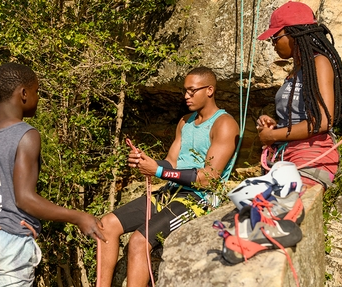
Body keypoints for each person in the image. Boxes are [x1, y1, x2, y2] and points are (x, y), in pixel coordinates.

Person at [0, 62, 106, 286]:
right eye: (36, 91)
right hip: (6, 240)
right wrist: (78, 217)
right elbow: (25, 199)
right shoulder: (27, 135)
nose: (38, 97)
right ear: (23, 93)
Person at [99, 66, 240, 286]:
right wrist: (149, 162)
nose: (186, 96)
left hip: (200, 199)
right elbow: (171, 163)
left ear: (210, 90)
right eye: (185, 91)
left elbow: (208, 178)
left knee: (139, 241)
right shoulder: (185, 122)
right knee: (106, 224)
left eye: (192, 91)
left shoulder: (225, 124)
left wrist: (158, 171)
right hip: (172, 191)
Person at [256, 1, 342, 190]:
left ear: (294, 33)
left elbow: (323, 121)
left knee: (280, 211)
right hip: (286, 155)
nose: (273, 43)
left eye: (275, 36)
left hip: (311, 155)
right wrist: (275, 126)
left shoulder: (320, 62)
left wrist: (273, 135)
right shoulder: (297, 69)